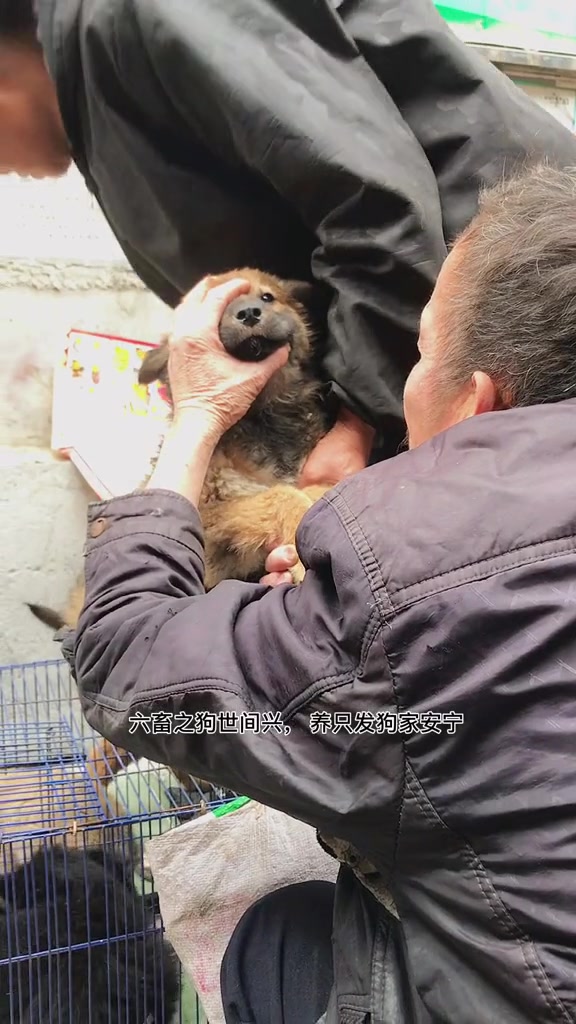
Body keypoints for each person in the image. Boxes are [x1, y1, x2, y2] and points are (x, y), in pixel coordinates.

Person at [59, 162, 576, 1023]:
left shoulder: (406, 570)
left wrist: (197, 415)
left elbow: (122, 664)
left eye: (418, 352)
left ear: (480, 402)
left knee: (270, 934)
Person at [3, 1, 576, 484]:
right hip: (437, 342)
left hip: (526, 296)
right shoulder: (99, 75)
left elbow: (376, 201)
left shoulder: (143, 16)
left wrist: (357, 424)